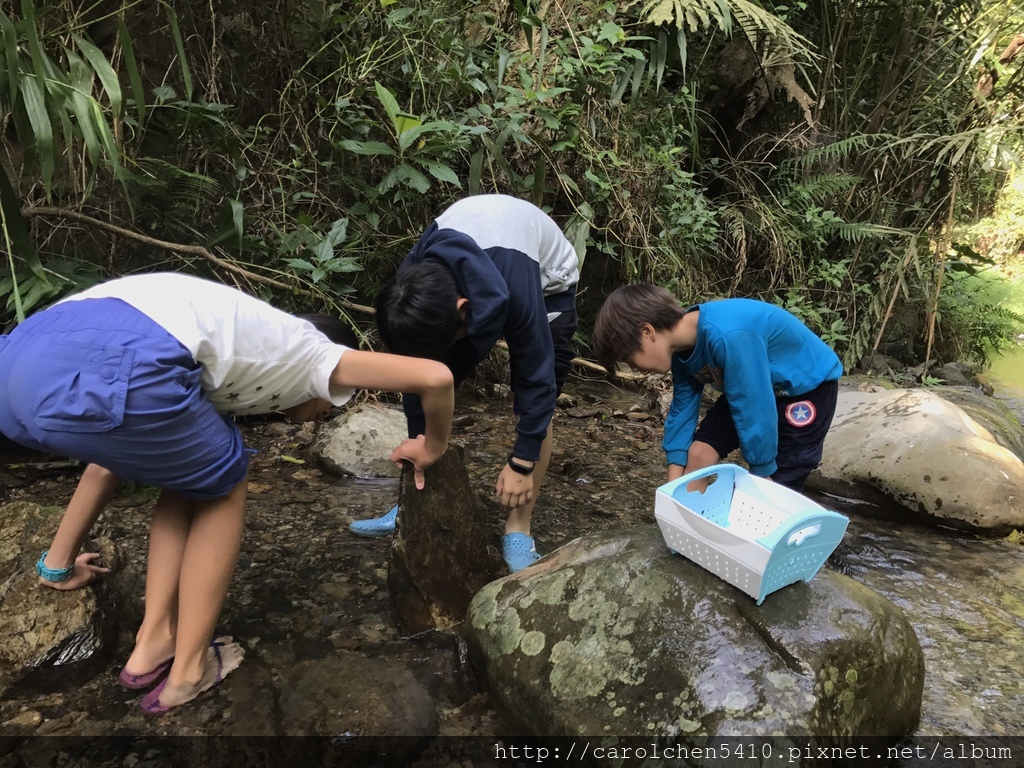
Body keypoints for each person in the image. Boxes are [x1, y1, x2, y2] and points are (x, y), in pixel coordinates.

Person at [0, 273, 454, 713]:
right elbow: (435, 377)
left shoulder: (226, 354)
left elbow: (105, 465)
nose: (321, 414)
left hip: (20, 368)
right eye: (331, 402)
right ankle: (188, 672)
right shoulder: (312, 352)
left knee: (194, 470)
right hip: (128, 357)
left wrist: (57, 566)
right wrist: (431, 445)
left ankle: (152, 644)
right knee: (229, 475)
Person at [347, 195, 580, 572]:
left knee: (535, 401)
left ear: (462, 312)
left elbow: (538, 385)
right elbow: (417, 375)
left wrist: (520, 464)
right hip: (475, 280)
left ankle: (519, 527)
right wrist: (422, 443)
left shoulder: (520, 290)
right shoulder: (415, 277)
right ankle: (415, 504)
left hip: (548, 282)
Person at [592, 284, 843, 492]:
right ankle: (687, 525)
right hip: (751, 388)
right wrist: (673, 484)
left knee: (775, 485)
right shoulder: (681, 353)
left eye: (628, 358)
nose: (634, 368)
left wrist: (762, 470)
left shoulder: (727, 336)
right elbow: (682, 410)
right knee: (699, 454)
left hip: (805, 389)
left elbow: (753, 405)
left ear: (647, 332)